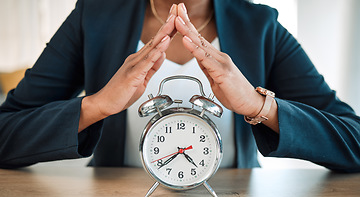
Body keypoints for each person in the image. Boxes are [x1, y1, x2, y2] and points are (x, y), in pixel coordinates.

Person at [0, 0, 359, 172]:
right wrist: (96, 106)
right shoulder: (92, 17)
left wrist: (257, 105)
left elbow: (353, 139)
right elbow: (5, 132)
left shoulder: (261, 25)